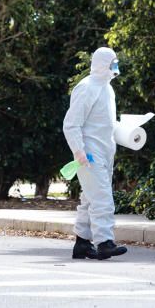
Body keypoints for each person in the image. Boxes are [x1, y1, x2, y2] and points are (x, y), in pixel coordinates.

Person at [63, 46, 128, 261]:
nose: (115, 67)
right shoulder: (87, 87)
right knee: (102, 198)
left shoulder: (107, 89)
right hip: (89, 154)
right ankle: (104, 243)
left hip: (105, 151)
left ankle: (82, 243)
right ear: (102, 63)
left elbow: (104, 123)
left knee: (90, 199)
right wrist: (79, 150)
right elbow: (71, 124)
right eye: (112, 62)